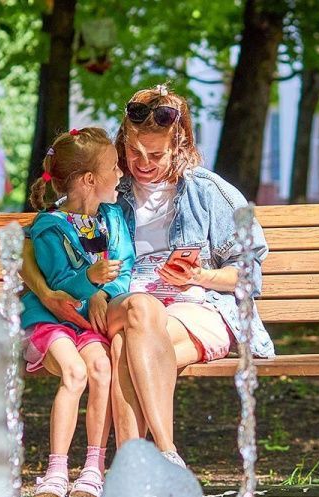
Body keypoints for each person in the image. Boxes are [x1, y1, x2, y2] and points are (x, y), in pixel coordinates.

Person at [23, 85, 274, 469]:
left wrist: (200, 275)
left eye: (155, 154)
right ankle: (158, 461)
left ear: (180, 145)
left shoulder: (208, 192)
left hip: (199, 306)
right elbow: (38, 233)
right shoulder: (108, 188)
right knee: (139, 315)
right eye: (133, 151)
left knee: (126, 345)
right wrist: (88, 291)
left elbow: (248, 275)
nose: (142, 163)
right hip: (130, 301)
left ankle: (135, 469)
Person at [23, 127, 133, 497]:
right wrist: (89, 279)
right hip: (53, 321)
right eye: (114, 168)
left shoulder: (112, 219)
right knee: (75, 372)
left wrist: (106, 292)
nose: (121, 174)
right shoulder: (49, 227)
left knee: (102, 370)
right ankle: (55, 472)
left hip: (89, 322)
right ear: (90, 180)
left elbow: (126, 268)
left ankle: (92, 469)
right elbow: (57, 284)